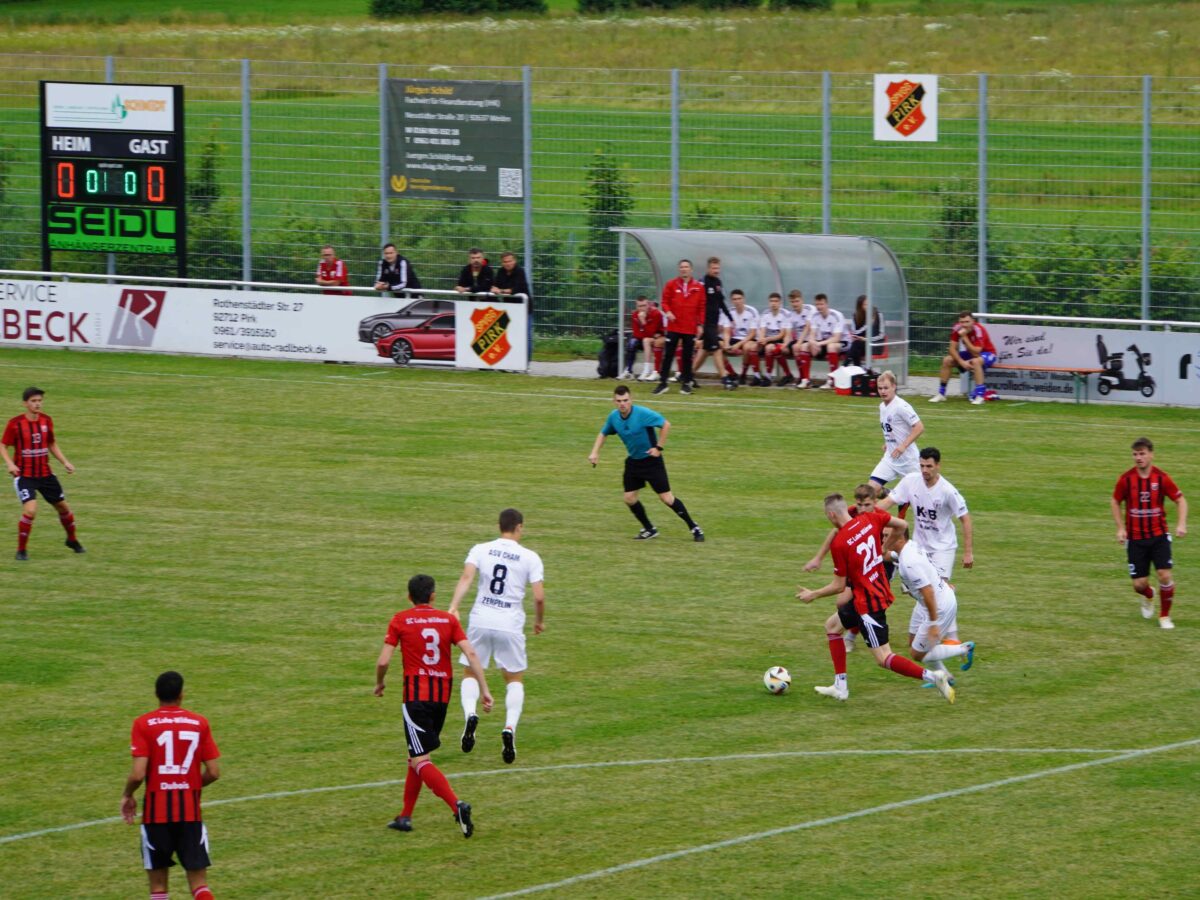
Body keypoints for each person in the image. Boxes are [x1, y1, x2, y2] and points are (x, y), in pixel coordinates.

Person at [797, 494, 954, 703]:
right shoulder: (869, 518)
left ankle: (934, 676)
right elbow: (902, 525)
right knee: (833, 626)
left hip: (867, 604)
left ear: (831, 515)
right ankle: (840, 686)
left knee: (884, 657)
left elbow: (839, 586)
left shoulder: (840, 543)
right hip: (875, 590)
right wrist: (883, 549)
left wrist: (813, 594)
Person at [375, 574, 493, 836]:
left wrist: (380, 683)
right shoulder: (448, 620)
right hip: (441, 699)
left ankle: (457, 805)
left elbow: (383, 661)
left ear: (409, 597)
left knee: (420, 759)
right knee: (415, 755)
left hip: (416, 699)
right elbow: (471, 653)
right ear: (433, 596)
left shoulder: (401, 619)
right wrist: (484, 689)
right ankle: (405, 816)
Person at [447, 508, 545, 765]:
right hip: (509, 623)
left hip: (480, 619)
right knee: (514, 679)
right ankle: (509, 727)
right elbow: (538, 596)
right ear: (519, 527)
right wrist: (538, 621)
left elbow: (467, 577)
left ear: (499, 526)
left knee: (470, 672)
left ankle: (471, 714)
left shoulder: (480, 548)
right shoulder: (530, 557)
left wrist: (454, 606)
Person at [122, 671, 220, 900]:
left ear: (156, 694)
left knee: (158, 890)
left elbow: (137, 775)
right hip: (190, 815)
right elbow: (214, 772)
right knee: (200, 886)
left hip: (156, 818)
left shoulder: (143, 724)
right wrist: (189, 785)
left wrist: (128, 795)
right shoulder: (199, 722)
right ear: (181, 694)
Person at [588, 385, 704, 542]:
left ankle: (694, 527)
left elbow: (666, 424)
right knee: (629, 498)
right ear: (614, 401)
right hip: (633, 462)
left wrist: (658, 448)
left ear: (631, 400)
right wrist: (595, 452)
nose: (622, 404)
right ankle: (649, 529)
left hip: (652, 462)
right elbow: (603, 433)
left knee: (667, 499)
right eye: (619, 401)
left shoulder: (642, 414)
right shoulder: (614, 417)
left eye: (625, 400)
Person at [1111, 436, 1187, 629]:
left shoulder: (1161, 478)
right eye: (1135, 454)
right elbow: (1115, 501)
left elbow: (1181, 500)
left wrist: (1181, 524)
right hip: (1135, 539)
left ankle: (1164, 617)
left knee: (1164, 574)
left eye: (1142, 453)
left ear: (1151, 455)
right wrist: (1120, 528)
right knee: (1139, 584)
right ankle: (1148, 595)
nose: (1138, 458)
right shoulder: (1126, 480)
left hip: (1159, 536)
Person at [2, 386, 83, 561]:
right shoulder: (15, 424)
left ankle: (72, 539)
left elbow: (51, 444)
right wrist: (9, 464)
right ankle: (21, 551)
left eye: (39, 401)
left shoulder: (47, 421)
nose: (37, 404)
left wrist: (65, 462)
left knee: (63, 507)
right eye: (34, 401)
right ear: (25, 403)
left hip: (45, 475)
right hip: (25, 476)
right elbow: (2, 445)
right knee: (30, 511)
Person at [887, 525, 975, 675]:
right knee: (915, 642)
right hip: (931, 601)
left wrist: (933, 624)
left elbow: (928, 591)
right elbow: (890, 556)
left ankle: (964, 649)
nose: (883, 539)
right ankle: (946, 677)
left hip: (937, 606)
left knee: (917, 653)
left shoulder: (909, 562)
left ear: (900, 538)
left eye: (886, 536)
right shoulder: (910, 546)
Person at [878, 447, 973, 579]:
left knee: (938, 589)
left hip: (942, 548)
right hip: (919, 546)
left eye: (929, 466)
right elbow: (888, 502)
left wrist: (968, 552)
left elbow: (965, 518)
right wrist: (864, 516)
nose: (924, 470)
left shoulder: (947, 491)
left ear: (938, 466)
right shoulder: (911, 481)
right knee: (922, 589)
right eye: (922, 466)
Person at [654, 259, 705, 395]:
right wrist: (668, 312)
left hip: (690, 328)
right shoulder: (671, 284)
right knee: (668, 355)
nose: (684, 269)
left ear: (691, 270)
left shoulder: (699, 287)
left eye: (686, 267)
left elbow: (701, 307)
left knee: (687, 356)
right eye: (681, 267)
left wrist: (700, 324)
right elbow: (664, 302)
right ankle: (663, 383)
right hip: (674, 327)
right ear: (679, 269)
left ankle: (686, 383)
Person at [870, 371, 924, 489]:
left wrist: (903, 446)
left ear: (894, 387)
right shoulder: (882, 406)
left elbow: (919, 427)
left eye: (886, 388)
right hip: (890, 458)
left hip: (908, 461)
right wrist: (889, 442)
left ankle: (899, 498)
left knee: (915, 497)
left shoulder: (901, 406)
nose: (883, 391)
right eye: (880, 388)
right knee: (871, 489)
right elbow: (892, 427)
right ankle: (892, 496)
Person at [932, 311, 997, 405]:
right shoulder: (957, 328)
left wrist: (964, 337)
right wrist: (961, 362)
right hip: (971, 353)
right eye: (962, 322)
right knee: (947, 360)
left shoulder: (979, 329)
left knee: (975, 361)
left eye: (967, 322)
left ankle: (980, 396)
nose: (964, 325)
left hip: (988, 353)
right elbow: (951, 349)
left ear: (973, 321)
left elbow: (977, 352)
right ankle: (941, 394)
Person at [692, 256, 737, 389]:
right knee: (716, 348)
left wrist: (730, 318)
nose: (716, 270)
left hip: (713, 321)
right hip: (705, 322)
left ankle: (688, 375)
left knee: (705, 350)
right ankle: (725, 378)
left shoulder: (718, 282)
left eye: (718, 268)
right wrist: (698, 322)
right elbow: (697, 302)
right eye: (713, 268)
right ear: (708, 268)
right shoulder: (702, 282)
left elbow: (721, 302)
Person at [798, 293, 845, 389]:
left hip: (843, 343)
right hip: (824, 343)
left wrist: (818, 343)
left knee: (831, 346)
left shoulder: (837, 315)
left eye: (821, 304)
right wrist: (812, 343)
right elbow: (812, 334)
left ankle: (832, 380)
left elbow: (836, 338)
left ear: (827, 304)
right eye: (817, 304)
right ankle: (806, 380)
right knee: (804, 346)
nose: (819, 307)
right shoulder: (815, 316)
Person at [719, 289, 763, 386]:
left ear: (743, 299)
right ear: (732, 301)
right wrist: (726, 343)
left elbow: (752, 333)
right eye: (734, 299)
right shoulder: (729, 312)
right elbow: (726, 331)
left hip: (749, 338)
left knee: (747, 347)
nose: (737, 301)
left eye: (739, 298)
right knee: (717, 346)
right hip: (735, 338)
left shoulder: (751, 311)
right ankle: (732, 374)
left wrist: (738, 345)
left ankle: (743, 375)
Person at [625, 295, 666, 382]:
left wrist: (643, 322)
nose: (642, 308)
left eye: (644, 305)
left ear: (648, 304)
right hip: (645, 338)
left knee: (646, 340)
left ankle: (647, 371)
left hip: (661, 338)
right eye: (640, 306)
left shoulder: (656, 313)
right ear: (637, 306)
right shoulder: (635, 314)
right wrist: (649, 333)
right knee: (632, 342)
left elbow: (651, 332)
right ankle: (628, 371)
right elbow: (636, 333)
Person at [758, 292, 794, 386]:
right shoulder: (765, 313)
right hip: (769, 340)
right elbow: (762, 330)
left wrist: (766, 339)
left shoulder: (785, 314)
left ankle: (769, 376)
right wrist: (761, 339)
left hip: (781, 340)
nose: (773, 303)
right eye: (771, 301)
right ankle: (758, 376)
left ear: (780, 303)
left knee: (771, 348)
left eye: (776, 301)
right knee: (754, 347)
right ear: (768, 302)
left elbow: (782, 334)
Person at [785, 290, 815, 388]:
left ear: (802, 300)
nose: (795, 304)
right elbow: (788, 332)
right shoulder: (790, 314)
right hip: (800, 340)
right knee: (790, 348)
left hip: (812, 339)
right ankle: (802, 378)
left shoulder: (810, 309)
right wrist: (785, 344)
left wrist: (798, 342)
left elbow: (807, 327)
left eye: (797, 301)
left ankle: (806, 379)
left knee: (800, 347)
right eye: (792, 302)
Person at [846, 294, 884, 369]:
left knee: (855, 347)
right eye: (865, 305)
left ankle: (846, 366)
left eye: (869, 304)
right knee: (856, 344)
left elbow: (881, 335)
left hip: (875, 345)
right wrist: (867, 325)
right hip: (861, 345)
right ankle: (858, 372)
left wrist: (866, 339)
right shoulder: (856, 316)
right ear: (860, 306)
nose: (868, 306)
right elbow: (854, 333)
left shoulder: (878, 315)